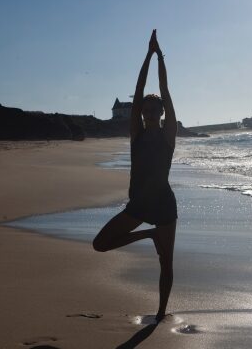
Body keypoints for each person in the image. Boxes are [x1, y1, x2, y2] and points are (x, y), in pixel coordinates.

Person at [93, 29, 177, 322]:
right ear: (141, 112)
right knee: (100, 243)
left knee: (166, 263)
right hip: (139, 204)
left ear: (162, 112)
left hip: (164, 204)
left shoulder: (168, 135)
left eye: (156, 109)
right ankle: (149, 234)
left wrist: (160, 55)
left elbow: (164, 89)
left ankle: (160, 314)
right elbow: (139, 89)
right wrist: (147, 54)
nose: (151, 111)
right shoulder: (136, 133)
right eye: (147, 109)